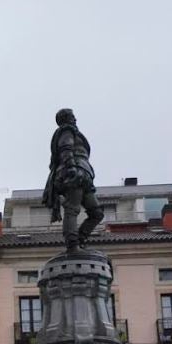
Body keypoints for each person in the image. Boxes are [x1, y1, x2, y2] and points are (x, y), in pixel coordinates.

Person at [41, 108, 103, 252]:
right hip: (74, 173)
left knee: (97, 213)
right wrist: (71, 168)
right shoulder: (66, 131)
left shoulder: (73, 132)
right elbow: (66, 148)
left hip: (84, 174)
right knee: (72, 209)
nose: (75, 119)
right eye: (72, 117)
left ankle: (80, 240)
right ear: (66, 119)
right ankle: (72, 244)